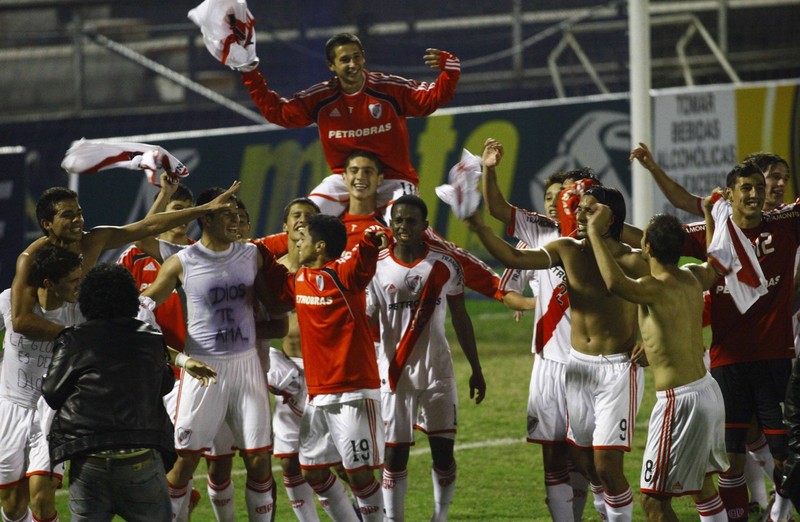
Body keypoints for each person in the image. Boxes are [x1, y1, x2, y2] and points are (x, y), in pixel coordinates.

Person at [464, 185, 649, 521]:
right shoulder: (567, 249)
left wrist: (649, 341)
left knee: (607, 464)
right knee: (582, 460)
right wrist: (479, 228)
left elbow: (665, 300)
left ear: (611, 217)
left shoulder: (633, 260)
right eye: (579, 208)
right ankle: (604, 506)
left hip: (619, 370)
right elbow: (514, 258)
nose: (579, 214)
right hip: (578, 367)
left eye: (590, 209)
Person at [140, 187, 281, 522]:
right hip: (203, 369)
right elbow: (145, 303)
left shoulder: (252, 255)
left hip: (247, 367)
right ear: (206, 217)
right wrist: (143, 330)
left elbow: (273, 306)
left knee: (259, 462)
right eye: (227, 213)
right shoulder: (180, 262)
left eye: (237, 213)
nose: (235, 219)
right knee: (184, 462)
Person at [588, 205, 729, 521]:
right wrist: (708, 217)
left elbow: (615, 283)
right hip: (708, 391)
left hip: (679, 402)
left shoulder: (652, 286)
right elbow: (715, 264)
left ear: (647, 246)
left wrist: (596, 233)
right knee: (703, 487)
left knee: (653, 502)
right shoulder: (694, 276)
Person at [679, 161, 799, 522]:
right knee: (730, 455)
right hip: (727, 363)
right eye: (747, 187)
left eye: (759, 188)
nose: (756, 194)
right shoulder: (712, 235)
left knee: (784, 452)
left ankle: (778, 512)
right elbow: (656, 239)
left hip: (775, 357)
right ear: (728, 194)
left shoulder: (785, 224)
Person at [481, 137, 591, 521]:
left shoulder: (599, 238)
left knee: (586, 457)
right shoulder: (538, 232)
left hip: (588, 362)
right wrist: (489, 169)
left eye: (565, 195)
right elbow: (496, 208)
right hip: (548, 362)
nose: (558, 202)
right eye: (553, 196)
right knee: (552, 452)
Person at [241, 32, 460, 216]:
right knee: (305, 220)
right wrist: (249, 71)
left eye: (357, 57)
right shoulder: (321, 98)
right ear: (331, 65)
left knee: (407, 217)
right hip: (344, 180)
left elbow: (430, 100)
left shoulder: (389, 88)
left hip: (394, 179)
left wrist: (450, 71)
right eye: (345, 60)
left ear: (364, 58)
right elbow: (279, 113)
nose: (353, 64)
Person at [367, 195, 485, 521]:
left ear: (425, 226)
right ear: (390, 224)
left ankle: (439, 515)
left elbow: (461, 318)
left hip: (438, 371)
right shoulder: (375, 267)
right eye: (398, 220)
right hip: (393, 373)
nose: (404, 226)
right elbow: (365, 326)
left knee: (443, 454)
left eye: (411, 221)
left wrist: (476, 368)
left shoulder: (445, 265)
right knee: (395, 455)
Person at [265, 213, 388, 522]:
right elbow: (270, 280)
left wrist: (373, 238)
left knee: (360, 476)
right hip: (318, 395)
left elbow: (364, 260)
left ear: (319, 246)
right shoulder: (298, 281)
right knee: (313, 470)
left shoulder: (344, 274)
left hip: (354, 391)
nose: (297, 244)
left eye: (302, 239)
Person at [12, 182, 240, 342]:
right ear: (46, 223)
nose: (78, 220)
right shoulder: (31, 259)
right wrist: (71, 336)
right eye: (68, 215)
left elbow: (149, 226)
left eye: (79, 213)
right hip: (44, 340)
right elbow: (21, 320)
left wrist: (204, 209)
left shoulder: (94, 240)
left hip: (81, 334)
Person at [40, 263, 178, 522]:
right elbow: (166, 385)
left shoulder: (74, 339)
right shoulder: (150, 338)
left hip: (89, 458)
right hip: (140, 458)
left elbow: (52, 393)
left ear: (88, 298)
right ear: (130, 297)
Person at [0, 244, 82, 522]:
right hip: (10, 408)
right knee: (12, 505)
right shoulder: (9, 301)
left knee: (42, 497)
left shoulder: (80, 312)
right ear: (49, 283)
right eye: (73, 281)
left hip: (52, 413)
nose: (78, 286)